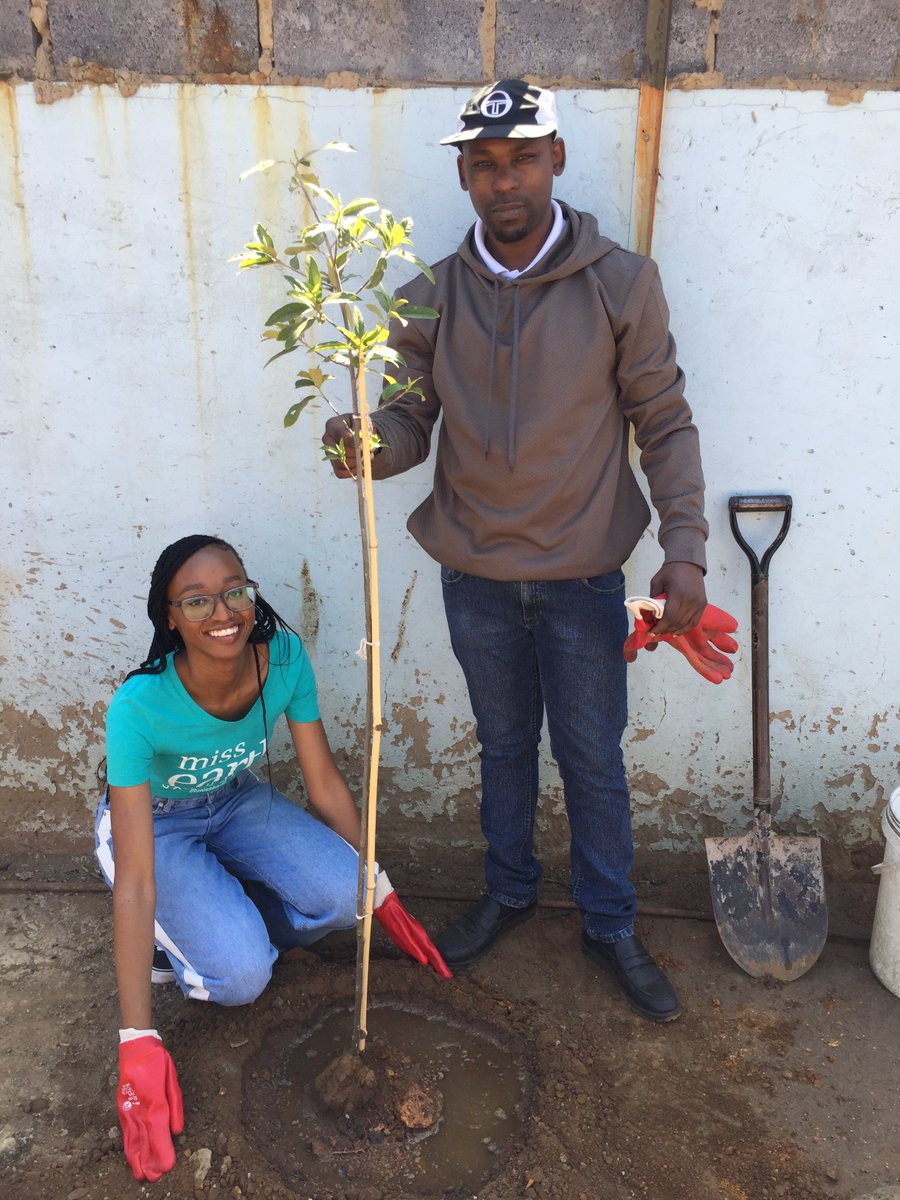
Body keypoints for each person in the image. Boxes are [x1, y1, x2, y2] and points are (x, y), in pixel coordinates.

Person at [323, 80, 711, 1024]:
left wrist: (686, 549)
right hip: (478, 577)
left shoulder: (621, 282)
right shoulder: (432, 291)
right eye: (485, 165)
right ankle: (507, 891)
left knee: (591, 757)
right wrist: (370, 443)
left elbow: (663, 422)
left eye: (523, 160)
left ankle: (611, 923)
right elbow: (414, 419)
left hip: (583, 576)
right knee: (503, 747)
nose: (506, 182)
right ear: (464, 174)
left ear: (556, 161)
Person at [96, 534, 449, 1183]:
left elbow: (324, 785)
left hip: (234, 803)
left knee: (346, 896)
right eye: (196, 601)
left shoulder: (282, 658)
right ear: (169, 617)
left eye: (234, 591)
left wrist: (377, 881)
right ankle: (174, 948)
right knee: (240, 978)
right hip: (157, 827)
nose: (222, 612)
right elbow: (137, 878)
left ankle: (217, 918)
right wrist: (136, 1043)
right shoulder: (139, 705)